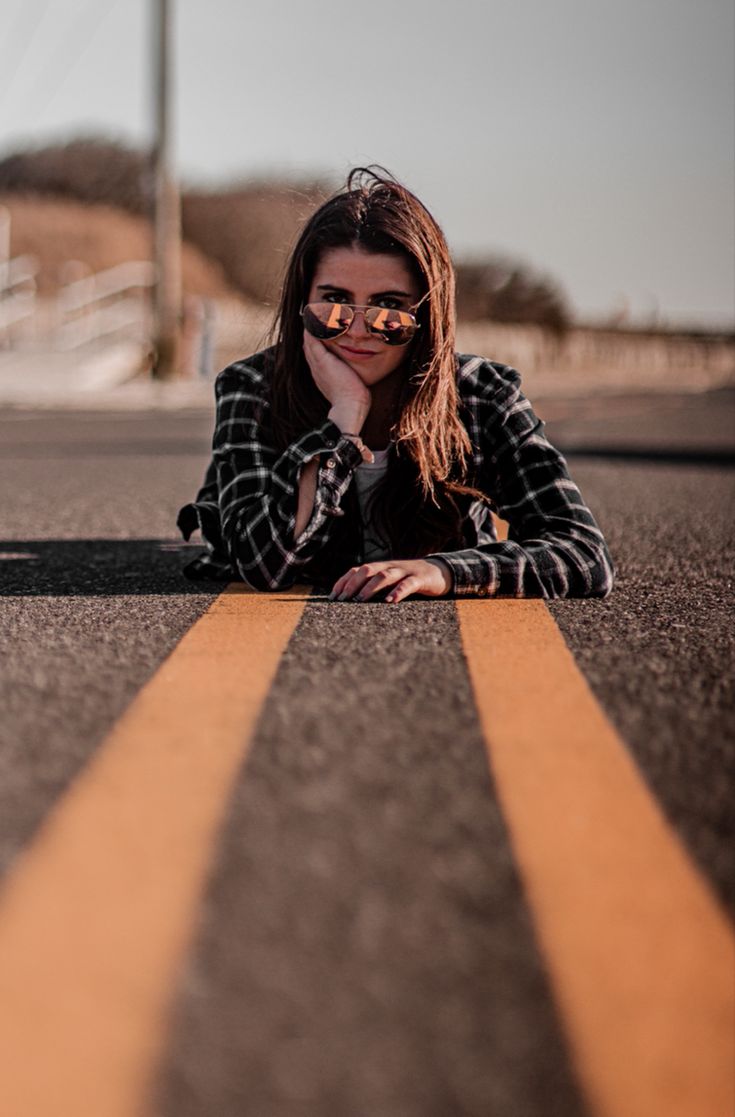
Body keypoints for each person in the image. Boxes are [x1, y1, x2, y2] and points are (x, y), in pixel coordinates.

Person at [177, 168, 614, 603]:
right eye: (334, 303)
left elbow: (583, 554)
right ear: (302, 302)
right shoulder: (252, 387)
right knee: (228, 510)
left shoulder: (484, 395)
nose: (359, 330)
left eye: (390, 308)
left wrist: (443, 571)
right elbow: (261, 565)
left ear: (428, 318)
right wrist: (342, 421)